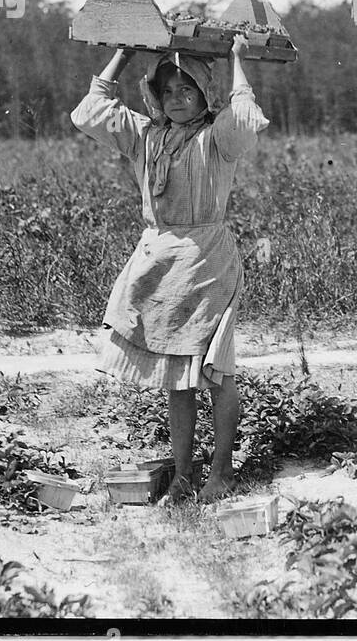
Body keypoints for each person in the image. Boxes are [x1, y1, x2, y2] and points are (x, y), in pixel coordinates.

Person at [70, 36, 268, 502]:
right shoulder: (145, 136)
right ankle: (183, 473)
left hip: (208, 261)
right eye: (168, 91)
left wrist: (238, 60)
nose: (177, 100)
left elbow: (243, 119)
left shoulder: (217, 135)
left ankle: (221, 472)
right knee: (178, 379)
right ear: (155, 95)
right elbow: (89, 112)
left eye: (188, 91)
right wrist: (122, 52)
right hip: (159, 261)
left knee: (217, 373)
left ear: (204, 95)